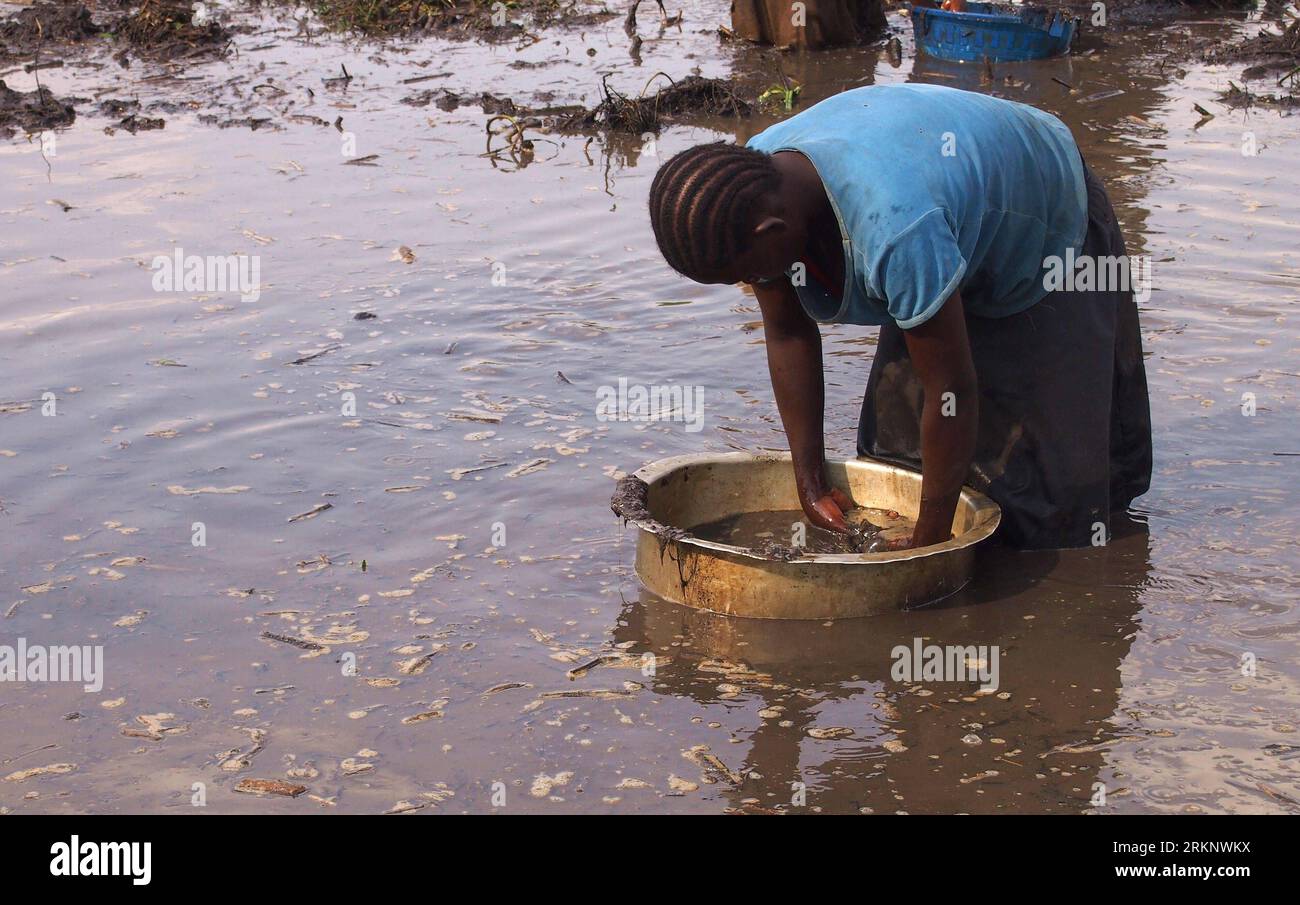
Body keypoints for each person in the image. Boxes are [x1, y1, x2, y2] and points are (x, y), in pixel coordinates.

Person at [647, 84, 1151, 550]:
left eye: (748, 272)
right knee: (896, 465)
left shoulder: (897, 229)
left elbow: (952, 391)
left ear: (771, 231)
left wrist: (928, 546)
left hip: (1038, 210)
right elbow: (787, 333)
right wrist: (810, 481)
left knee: (1047, 505)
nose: (750, 284)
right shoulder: (745, 188)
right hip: (938, 201)